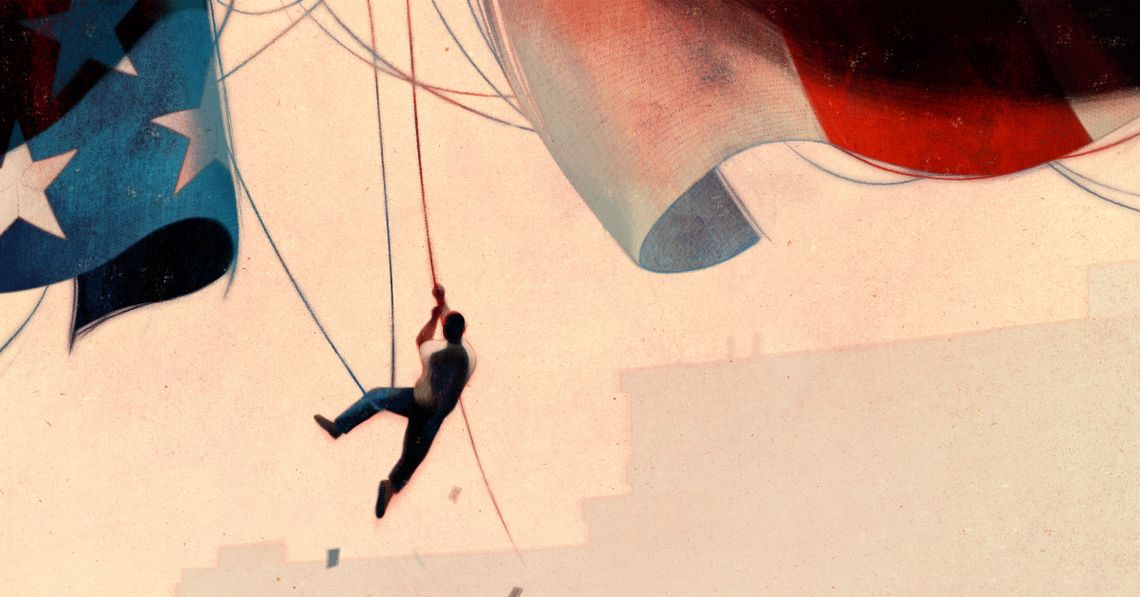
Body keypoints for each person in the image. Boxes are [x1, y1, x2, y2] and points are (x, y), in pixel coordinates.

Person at [314, 285, 475, 518]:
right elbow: (450, 326)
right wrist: (442, 304)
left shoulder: (434, 352)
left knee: (376, 398)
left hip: (421, 406)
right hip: (430, 413)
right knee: (410, 458)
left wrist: (433, 316)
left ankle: (340, 427)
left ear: (444, 331)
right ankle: (390, 485)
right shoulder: (469, 356)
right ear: (463, 331)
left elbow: (422, 338)